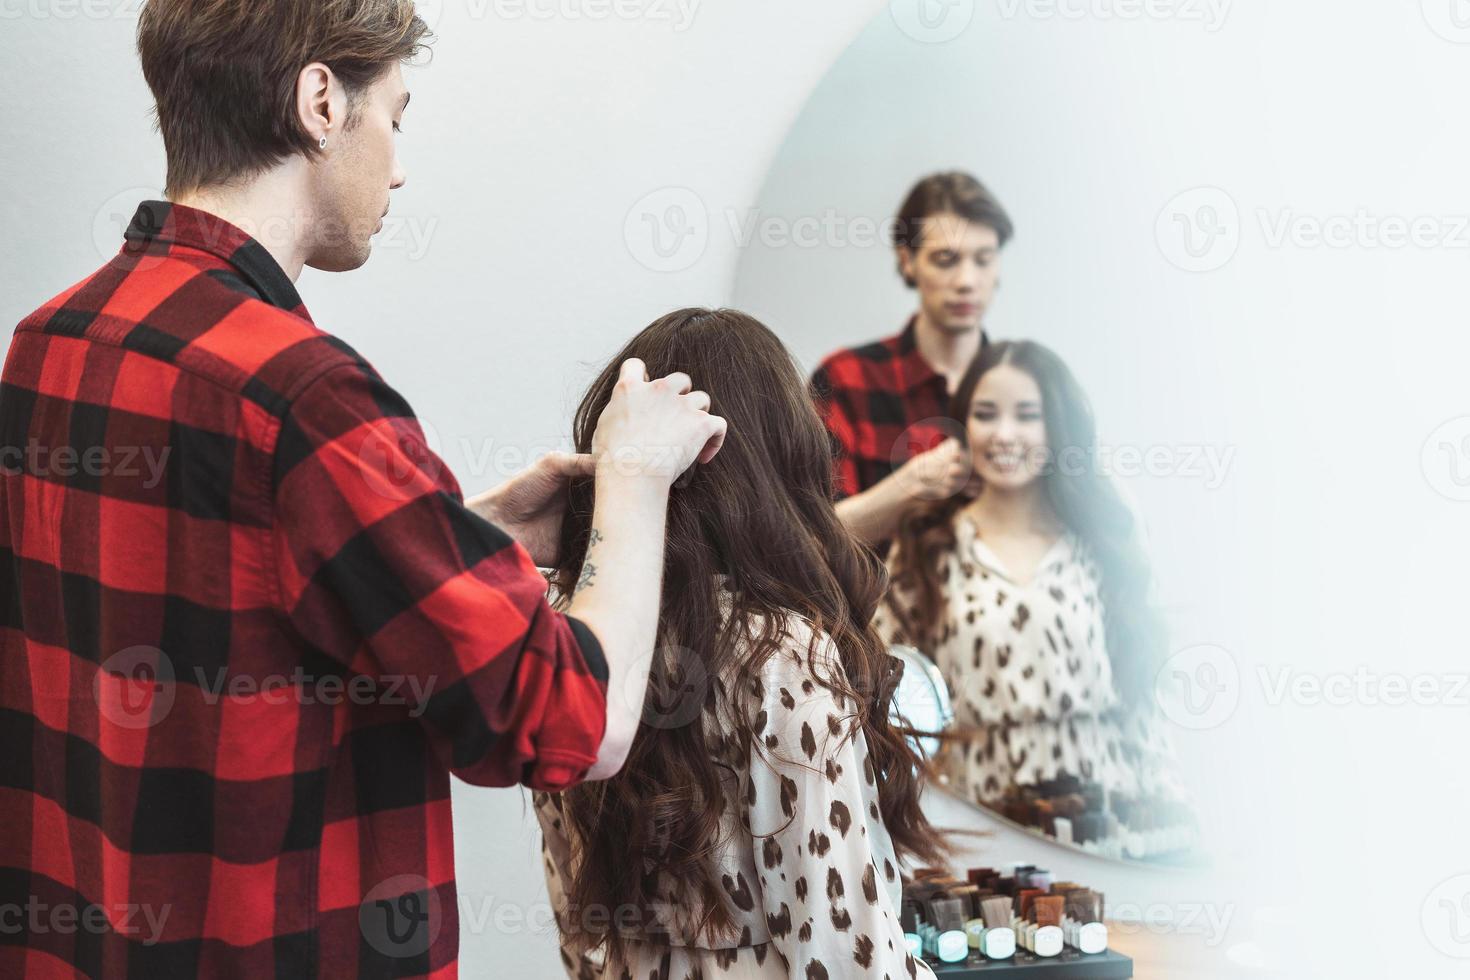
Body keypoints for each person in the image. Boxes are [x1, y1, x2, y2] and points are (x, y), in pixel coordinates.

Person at [0, 2, 724, 976]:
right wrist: (636, 476)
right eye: (397, 116)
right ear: (319, 102)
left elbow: (226, 595)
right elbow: (576, 721)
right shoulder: (303, 397)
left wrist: (470, 531)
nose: (400, 165)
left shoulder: (50, 343)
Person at [534, 308, 948, 979]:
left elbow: (580, 932)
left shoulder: (571, 642)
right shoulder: (781, 654)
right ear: (784, 457)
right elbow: (844, 954)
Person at [874, 341, 1196, 858]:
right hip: (981, 821)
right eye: (986, 414)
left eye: (1028, 415)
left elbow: (1143, 707)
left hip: (1109, 821)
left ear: (1057, 426)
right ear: (963, 428)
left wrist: (1176, 829)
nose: (1004, 434)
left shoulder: (1101, 542)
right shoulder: (924, 546)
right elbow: (890, 697)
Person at [810, 171, 1013, 551]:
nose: (967, 280)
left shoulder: (1024, 386)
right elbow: (812, 542)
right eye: (945, 259)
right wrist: (908, 489)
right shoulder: (846, 378)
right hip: (875, 606)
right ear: (908, 261)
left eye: (984, 259)